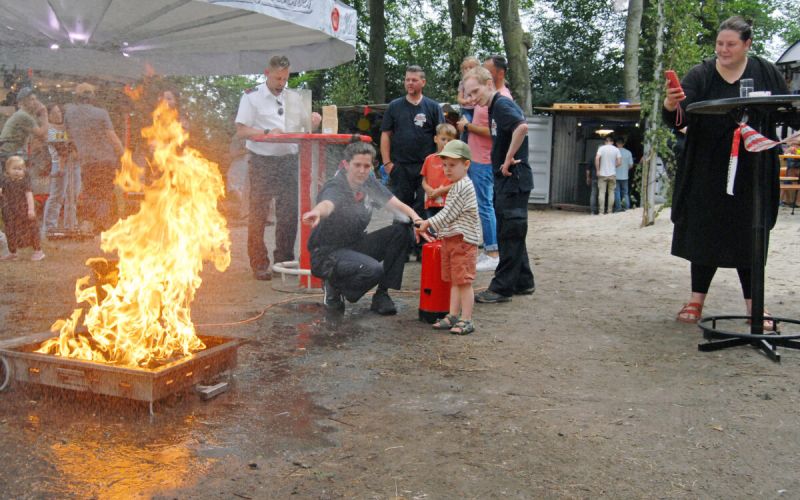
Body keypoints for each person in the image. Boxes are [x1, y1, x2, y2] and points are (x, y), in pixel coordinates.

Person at [663, 16, 790, 325]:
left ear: (747, 44)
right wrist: (670, 103)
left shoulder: (766, 71)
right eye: (720, 43)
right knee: (705, 230)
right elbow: (678, 119)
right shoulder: (701, 74)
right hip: (708, 165)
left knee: (752, 232)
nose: (723, 49)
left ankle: (754, 306)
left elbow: (788, 109)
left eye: (731, 44)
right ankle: (696, 301)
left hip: (754, 168)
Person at [302, 142, 425, 315]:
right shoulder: (336, 185)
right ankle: (334, 286)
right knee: (373, 270)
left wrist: (417, 219)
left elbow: (395, 204)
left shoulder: (369, 182)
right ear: (346, 164)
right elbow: (328, 203)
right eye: (357, 165)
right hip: (327, 254)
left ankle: (382, 294)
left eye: (366, 166)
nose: (362, 170)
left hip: (353, 245)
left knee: (402, 230)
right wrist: (317, 212)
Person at [235, 55, 322, 281]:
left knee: (289, 214)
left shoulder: (293, 97)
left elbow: (303, 130)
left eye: (285, 78)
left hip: (288, 161)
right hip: (262, 160)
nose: (281, 83)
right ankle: (259, 263)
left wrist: (312, 121)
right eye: (277, 78)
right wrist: (265, 133)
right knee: (258, 214)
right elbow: (242, 130)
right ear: (267, 73)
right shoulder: (251, 97)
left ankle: (283, 260)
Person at [462, 67, 535, 303]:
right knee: (512, 230)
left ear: (489, 84)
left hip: (513, 179)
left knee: (509, 232)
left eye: (476, 92)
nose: (473, 99)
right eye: (469, 94)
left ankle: (502, 288)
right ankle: (524, 281)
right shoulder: (493, 107)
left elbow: (522, 127)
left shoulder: (502, 105)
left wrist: (507, 159)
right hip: (507, 180)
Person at [416, 140, 481, 335]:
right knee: (454, 280)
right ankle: (453, 315)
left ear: (466, 164)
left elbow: (449, 214)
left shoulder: (462, 186)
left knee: (464, 281)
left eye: (452, 165)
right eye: (444, 165)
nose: (447, 169)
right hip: (452, 240)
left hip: (463, 242)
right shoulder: (455, 186)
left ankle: (467, 319)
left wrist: (428, 224)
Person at [380, 65, 446, 223]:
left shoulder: (433, 107)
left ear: (423, 82)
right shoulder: (394, 106)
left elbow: (442, 136)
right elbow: (385, 134)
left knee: (425, 207)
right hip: (400, 166)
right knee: (400, 209)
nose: (410, 83)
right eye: (407, 79)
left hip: (426, 166)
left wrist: (440, 164)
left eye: (414, 80)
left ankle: (420, 245)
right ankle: (401, 243)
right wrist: (387, 163)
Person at [64, 82, 124, 234]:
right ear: (92, 96)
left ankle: (87, 224)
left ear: (77, 97)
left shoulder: (69, 114)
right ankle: (101, 227)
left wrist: (77, 152)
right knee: (104, 194)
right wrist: (123, 154)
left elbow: (68, 138)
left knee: (90, 193)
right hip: (105, 160)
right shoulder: (101, 113)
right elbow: (112, 137)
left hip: (87, 161)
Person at [458, 77, 500, 271]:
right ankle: (487, 249)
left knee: (485, 205)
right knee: (480, 205)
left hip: (484, 161)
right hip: (476, 159)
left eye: (475, 92)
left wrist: (466, 127)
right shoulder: (482, 104)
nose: (472, 98)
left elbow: (494, 132)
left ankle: (492, 251)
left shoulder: (500, 101)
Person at [41, 103, 80, 236]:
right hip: (59, 163)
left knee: (73, 195)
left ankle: (71, 225)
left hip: (74, 165)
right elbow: (64, 148)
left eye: (59, 112)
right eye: (54, 113)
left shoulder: (66, 127)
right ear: (49, 115)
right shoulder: (50, 129)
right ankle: (50, 228)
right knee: (57, 196)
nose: (58, 115)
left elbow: (75, 145)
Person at [0, 156, 44, 261]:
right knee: (10, 231)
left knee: (30, 230)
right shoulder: (6, 181)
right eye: (14, 169)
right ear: (7, 170)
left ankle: (38, 251)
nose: (17, 172)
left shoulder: (24, 183)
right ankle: (12, 252)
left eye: (20, 169)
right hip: (10, 212)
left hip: (24, 211)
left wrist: (31, 210)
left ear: (24, 171)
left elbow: (29, 196)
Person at [420, 123, 457, 218]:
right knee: (432, 229)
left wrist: (441, 191)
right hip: (430, 202)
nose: (446, 143)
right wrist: (428, 189)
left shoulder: (455, 160)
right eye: (443, 139)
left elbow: (459, 183)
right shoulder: (429, 159)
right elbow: (424, 180)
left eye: (449, 140)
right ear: (435, 139)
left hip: (449, 204)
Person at [0, 87, 49, 158]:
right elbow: (41, 133)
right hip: (10, 153)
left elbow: (43, 134)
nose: (35, 102)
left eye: (35, 99)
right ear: (23, 101)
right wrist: (44, 113)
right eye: (32, 99)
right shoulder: (23, 115)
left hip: (10, 151)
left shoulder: (24, 114)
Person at [594, 136, 620, 215]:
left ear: (605, 142)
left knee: (602, 192)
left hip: (602, 174)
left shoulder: (601, 148)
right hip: (612, 174)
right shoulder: (616, 149)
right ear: (612, 142)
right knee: (611, 192)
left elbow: (597, 158)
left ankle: (601, 211)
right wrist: (613, 166)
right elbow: (619, 162)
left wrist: (598, 170)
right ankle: (610, 211)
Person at [457, 56, 480, 142]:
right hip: (466, 109)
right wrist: (466, 101)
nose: (467, 70)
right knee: (466, 125)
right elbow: (459, 99)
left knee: (477, 126)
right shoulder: (462, 83)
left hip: (477, 108)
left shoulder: (480, 82)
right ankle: (464, 143)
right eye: (465, 68)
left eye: (471, 67)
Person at [614, 138, 634, 212]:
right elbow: (631, 165)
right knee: (625, 192)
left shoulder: (614, 152)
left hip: (615, 175)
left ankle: (618, 208)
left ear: (616, 143)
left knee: (617, 192)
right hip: (625, 176)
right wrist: (626, 169)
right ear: (623, 143)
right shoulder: (628, 152)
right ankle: (626, 207)